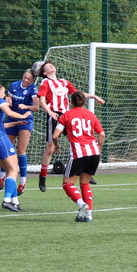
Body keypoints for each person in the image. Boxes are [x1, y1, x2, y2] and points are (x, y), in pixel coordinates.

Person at [37, 61, 105, 192]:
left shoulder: (64, 82)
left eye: (52, 64)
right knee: (50, 147)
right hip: (55, 115)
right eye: (48, 66)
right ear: (45, 73)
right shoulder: (45, 83)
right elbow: (42, 101)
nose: (51, 65)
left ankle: (83, 170)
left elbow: (78, 94)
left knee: (78, 141)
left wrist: (94, 96)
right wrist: (50, 112)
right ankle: (43, 176)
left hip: (67, 115)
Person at [52, 91, 105, 222]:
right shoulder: (91, 115)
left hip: (79, 153)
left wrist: (56, 145)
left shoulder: (66, 115)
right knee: (85, 183)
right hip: (94, 153)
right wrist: (99, 147)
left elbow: (55, 135)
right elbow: (102, 134)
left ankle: (82, 204)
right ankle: (89, 216)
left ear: (71, 102)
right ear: (84, 102)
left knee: (67, 183)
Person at [0, 83, 32, 212]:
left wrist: (16, 123)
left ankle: (14, 201)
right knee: (13, 169)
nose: (5, 95)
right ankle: (6, 200)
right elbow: (9, 112)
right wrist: (24, 115)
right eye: (3, 92)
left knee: (10, 168)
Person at [0, 69, 40, 195]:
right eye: (24, 77)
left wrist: (26, 107)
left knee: (21, 151)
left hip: (25, 121)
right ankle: (2, 175)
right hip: (12, 119)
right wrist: (8, 101)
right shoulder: (14, 85)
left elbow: (36, 107)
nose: (26, 80)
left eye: (28, 79)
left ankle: (22, 181)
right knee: (6, 148)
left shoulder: (33, 89)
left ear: (32, 80)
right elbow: (8, 100)